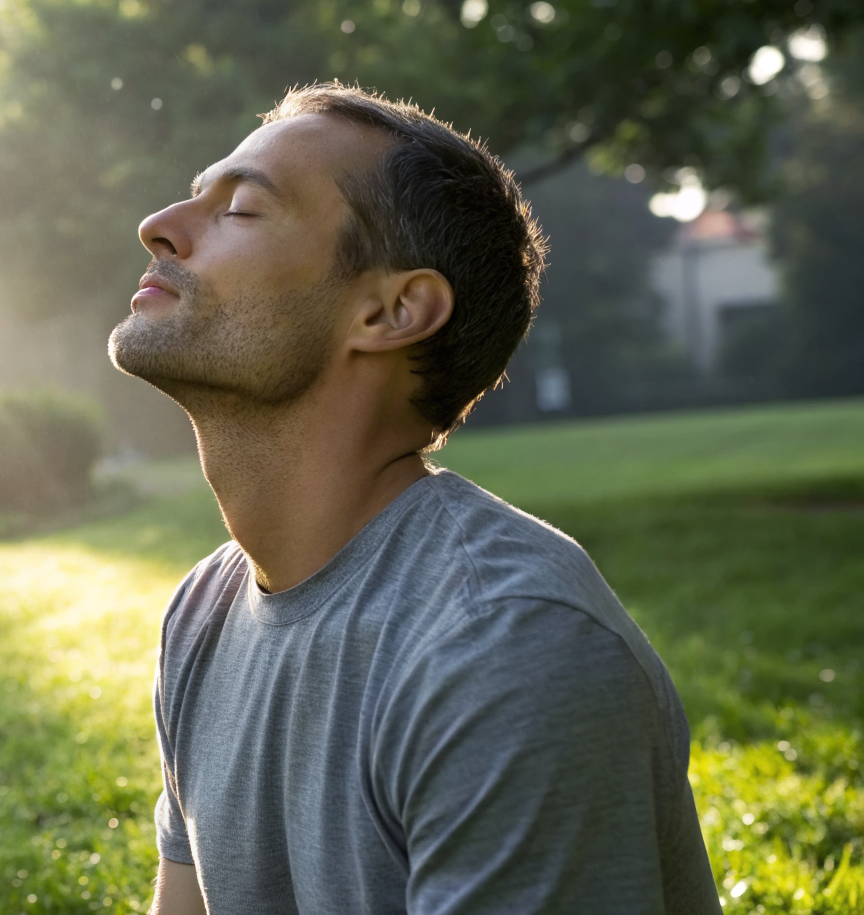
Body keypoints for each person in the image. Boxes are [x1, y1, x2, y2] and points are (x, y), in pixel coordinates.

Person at [107, 82, 721, 915]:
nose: (161, 224)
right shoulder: (204, 613)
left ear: (393, 311)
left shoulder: (506, 642)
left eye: (243, 209)